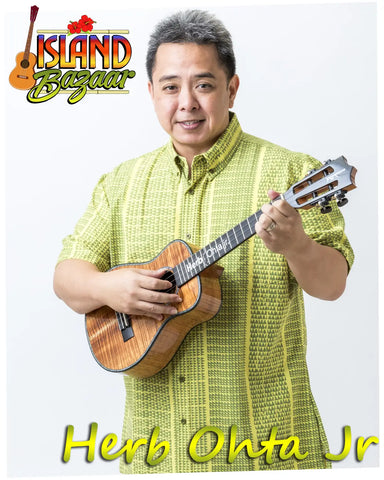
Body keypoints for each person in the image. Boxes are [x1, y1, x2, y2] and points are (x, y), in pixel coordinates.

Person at [53, 9, 353, 474]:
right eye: (170, 86)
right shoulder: (121, 183)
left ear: (231, 89)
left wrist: (297, 244)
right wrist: (110, 289)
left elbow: (333, 284)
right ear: (151, 92)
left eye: (204, 85)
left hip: (267, 446)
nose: (187, 102)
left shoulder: (291, 173)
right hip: (154, 451)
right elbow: (67, 277)